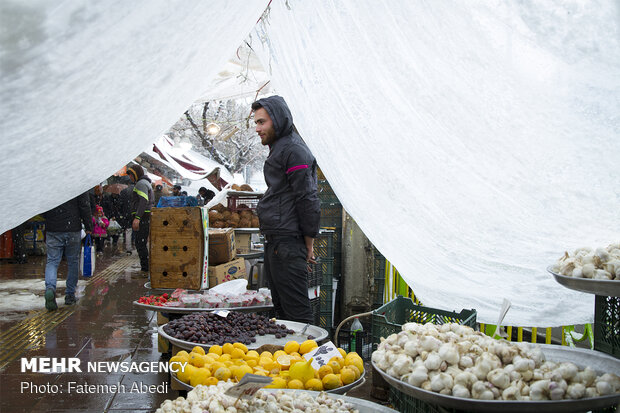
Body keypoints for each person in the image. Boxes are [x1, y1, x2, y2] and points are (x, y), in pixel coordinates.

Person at [251, 95, 321, 324]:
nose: (258, 128)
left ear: (278, 120)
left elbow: (307, 197)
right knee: (282, 312)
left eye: (262, 122)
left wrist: (308, 243)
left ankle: (312, 358)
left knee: (297, 314)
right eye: (256, 123)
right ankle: (289, 358)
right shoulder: (281, 148)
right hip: (278, 241)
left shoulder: (294, 150)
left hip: (288, 243)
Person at [41, 192, 93, 310]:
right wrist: (89, 226)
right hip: (72, 228)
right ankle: (69, 295)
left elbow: (42, 205)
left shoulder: (51, 182)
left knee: (52, 261)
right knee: (73, 261)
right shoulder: (77, 182)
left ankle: (50, 288)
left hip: (53, 228)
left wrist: (49, 217)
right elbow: (84, 206)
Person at [127, 164, 154, 273]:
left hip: (143, 217)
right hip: (145, 216)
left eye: (131, 175)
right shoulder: (145, 183)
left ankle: (145, 269)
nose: (130, 178)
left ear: (136, 174)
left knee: (140, 243)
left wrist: (137, 217)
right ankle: (145, 267)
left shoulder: (141, 184)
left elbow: (143, 201)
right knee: (141, 243)